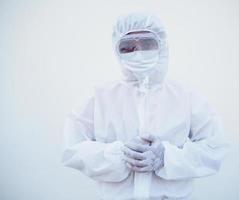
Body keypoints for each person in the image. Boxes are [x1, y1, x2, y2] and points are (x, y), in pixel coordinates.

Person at [61, 12, 229, 200]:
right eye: (129, 47)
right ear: (117, 51)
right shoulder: (99, 96)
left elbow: (215, 146)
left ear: (162, 45)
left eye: (147, 43)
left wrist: (166, 157)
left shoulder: (185, 96)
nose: (138, 53)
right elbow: (72, 148)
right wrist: (118, 155)